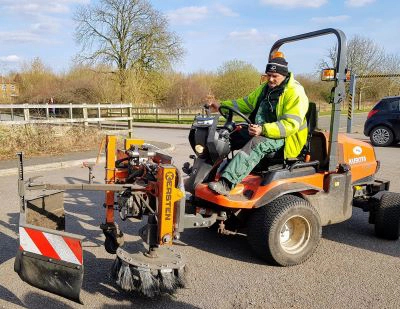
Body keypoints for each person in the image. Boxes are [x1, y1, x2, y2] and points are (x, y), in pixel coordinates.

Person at [207, 52, 309, 195]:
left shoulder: (295, 92)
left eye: (275, 76)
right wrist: (221, 105)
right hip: (261, 129)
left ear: (284, 75)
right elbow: (245, 103)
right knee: (227, 135)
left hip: (285, 137)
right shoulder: (265, 88)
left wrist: (263, 130)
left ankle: (227, 183)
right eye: (268, 75)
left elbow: (290, 125)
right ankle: (206, 174)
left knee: (257, 143)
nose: (271, 79)